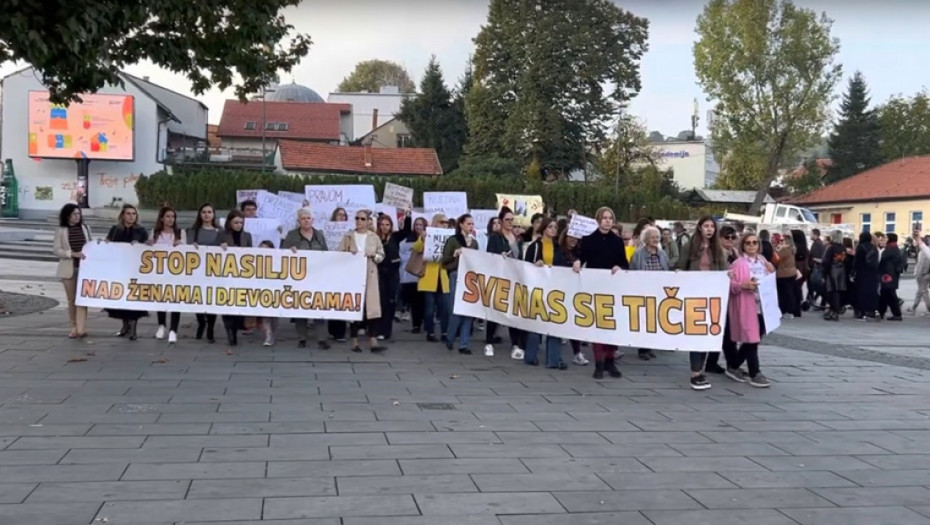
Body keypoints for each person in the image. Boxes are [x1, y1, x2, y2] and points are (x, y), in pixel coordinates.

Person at [573, 206, 629, 380]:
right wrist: (577, 262)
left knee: (612, 326)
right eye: (604, 218)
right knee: (597, 326)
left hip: (613, 289)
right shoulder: (589, 240)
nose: (607, 220)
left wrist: (619, 266)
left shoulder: (617, 241)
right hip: (595, 289)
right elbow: (581, 257)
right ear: (598, 220)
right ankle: (599, 363)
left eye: (610, 218)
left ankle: (611, 361)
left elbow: (625, 263)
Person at [677, 216, 727, 390]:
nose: (709, 229)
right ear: (699, 228)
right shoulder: (689, 246)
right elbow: (680, 266)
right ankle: (695, 373)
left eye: (712, 226)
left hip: (712, 295)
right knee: (697, 333)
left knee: (707, 333)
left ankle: (701, 369)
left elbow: (724, 269)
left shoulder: (718, 249)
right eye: (706, 226)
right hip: (694, 294)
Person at [726, 232, 774, 388]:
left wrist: (772, 271)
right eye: (748, 243)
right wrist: (742, 285)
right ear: (743, 245)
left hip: (763, 306)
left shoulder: (763, 260)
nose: (752, 245)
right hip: (747, 306)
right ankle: (755, 373)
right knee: (752, 339)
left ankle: (734, 365)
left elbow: (770, 281)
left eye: (755, 242)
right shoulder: (738, 264)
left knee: (755, 338)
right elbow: (730, 285)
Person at [522, 217, 569, 369]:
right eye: (550, 227)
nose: (553, 230)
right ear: (543, 229)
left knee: (554, 324)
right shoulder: (534, 246)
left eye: (555, 227)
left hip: (553, 290)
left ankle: (553, 360)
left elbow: (563, 266)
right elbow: (525, 266)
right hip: (538, 289)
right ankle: (530, 356)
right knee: (536, 324)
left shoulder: (558, 247)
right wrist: (535, 265)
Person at [281, 207, 330, 349]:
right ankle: (302, 338)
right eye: (303, 218)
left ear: (312, 220)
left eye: (308, 218)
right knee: (300, 306)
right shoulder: (291, 235)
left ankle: (322, 339)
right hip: (299, 277)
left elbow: (326, 253)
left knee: (319, 306)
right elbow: (282, 254)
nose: (306, 220)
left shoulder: (319, 235)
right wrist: (289, 251)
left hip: (317, 276)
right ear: (298, 221)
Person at [337, 209, 386, 353]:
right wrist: (348, 254)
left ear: (368, 221)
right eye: (357, 218)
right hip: (353, 275)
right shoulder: (348, 236)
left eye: (362, 219)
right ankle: (355, 341)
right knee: (354, 305)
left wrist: (373, 256)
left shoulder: (373, 237)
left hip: (369, 274)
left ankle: (373, 338)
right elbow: (338, 253)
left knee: (372, 307)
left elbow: (381, 254)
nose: (359, 221)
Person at [104, 204, 149, 340]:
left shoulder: (141, 231)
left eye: (133, 214)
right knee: (121, 299)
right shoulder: (115, 230)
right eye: (128, 213)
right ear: (123, 215)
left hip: (135, 271)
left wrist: (140, 244)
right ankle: (125, 326)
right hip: (119, 270)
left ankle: (133, 329)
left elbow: (147, 247)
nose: (131, 216)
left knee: (134, 300)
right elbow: (109, 244)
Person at [485, 207, 526, 359]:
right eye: (507, 220)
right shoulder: (495, 237)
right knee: (496, 311)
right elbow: (489, 256)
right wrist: (499, 256)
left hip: (514, 278)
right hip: (500, 278)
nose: (510, 222)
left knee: (513, 312)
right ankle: (489, 342)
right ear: (501, 221)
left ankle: (515, 344)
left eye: (512, 219)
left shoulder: (517, 239)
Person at [629, 226, 669, 361]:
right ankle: (642, 349)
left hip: (658, 291)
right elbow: (633, 271)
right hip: (644, 291)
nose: (655, 239)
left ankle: (650, 346)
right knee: (644, 320)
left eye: (657, 237)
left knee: (654, 320)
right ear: (646, 239)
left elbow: (666, 270)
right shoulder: (638, 254)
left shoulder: (662, 254)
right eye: (652, 237)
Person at [147, 205, 186, 344]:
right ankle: (161, 325)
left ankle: (173, 330)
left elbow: (186, 252)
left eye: (173, 217)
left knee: (175, 300)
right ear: (162, 218)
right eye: (168, 216)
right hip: (160, 272)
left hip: (176, 272)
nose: (170, 219)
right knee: (161, 299)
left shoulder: (180, 233)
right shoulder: (155, 233)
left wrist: (180, 245)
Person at [442, 213, 480, 354]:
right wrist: (454, 255)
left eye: (472, 224)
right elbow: (444, 260)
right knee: (456, 310)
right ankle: (450, 337)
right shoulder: (453, 240)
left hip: (469, 278)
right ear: (461, 224)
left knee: (469, 310)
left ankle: (464, 344)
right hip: (456, 275)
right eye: (468, 224)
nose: (471, 226)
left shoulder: (474, 243)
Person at [53, 203, 92, 339]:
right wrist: (72, 254)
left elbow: (90, 244)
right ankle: (73, 327)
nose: (77, 216)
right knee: (72, 299)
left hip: (84, 268)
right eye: (74, 214)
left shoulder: (85, 228)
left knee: (82, 298)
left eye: (79, 214)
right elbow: (57, 250)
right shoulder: (61, 230)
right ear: (67, 215)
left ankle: (81, 328)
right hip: (68, 268)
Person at [187, 203, 222, 343]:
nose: (207, 215)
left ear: (213, 214)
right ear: (200, 214)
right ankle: (201, 322)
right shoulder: (193, 231)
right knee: (197, 298)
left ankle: (210, 329)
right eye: (204, 212)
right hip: (197, 271)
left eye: (209, 212)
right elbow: (186, 246)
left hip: (214, 271)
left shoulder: (220, 231)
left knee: (211, 299)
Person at [412, 213, 450, 343]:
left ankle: (445, 332)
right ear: (435, 222)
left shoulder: (450, 237)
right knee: (429, 309)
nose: (444, 224)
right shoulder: (428, 235)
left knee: (444, 309)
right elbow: (415, 248)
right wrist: (422, 239)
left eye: (446, 222)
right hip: (429, 277)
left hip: (443, 278)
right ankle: (430, 332)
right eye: (441, 222)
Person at [219, 209, 253, 345]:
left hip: (241, 276)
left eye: (241, 222)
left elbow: (252, 253)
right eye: (236, 222)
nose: (239, 225)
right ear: (230, 223)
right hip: (226, 274)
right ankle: (229, 331)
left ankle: (235, 327)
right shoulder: (222, 235)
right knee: (226, 305)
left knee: (238, 305)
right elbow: (212, 251)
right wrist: (220, 247)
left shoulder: (247, 236)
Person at [557, 231, 589, 366]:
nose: (573, 239)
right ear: (564, 237)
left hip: (576, 293)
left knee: (575, 323)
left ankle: (577, 353)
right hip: (559, 292)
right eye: (570, 236)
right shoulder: (558, 251)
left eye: (576, 237)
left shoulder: (580, 253)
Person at [376, 212, 408, 341]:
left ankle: (386, 331)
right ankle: (378, 329)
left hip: (393, 272)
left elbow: (406, 231)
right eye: (382, 224)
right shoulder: (375, 237)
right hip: (380, 272)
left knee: (390, 302)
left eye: (387, 224)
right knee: (381, 302)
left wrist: (408, 214)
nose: (384, 227)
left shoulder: (394, 237)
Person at [400, 217, 428, 333]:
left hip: (426, 274)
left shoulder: (430, 238)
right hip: (412, 276)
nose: (418, 227)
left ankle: (425, 323)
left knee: (425, 302)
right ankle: (416, 324)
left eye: (421, 224)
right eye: (416, 224)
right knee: (416, 301)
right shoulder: (407, 240)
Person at [326, 207, 350, 342]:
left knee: (342, 299)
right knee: (332, 299)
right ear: (334, 217)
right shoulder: (327, 231)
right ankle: (332, 329)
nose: (342, 217)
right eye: (339, 215)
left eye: (344, 215)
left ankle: (340, 332)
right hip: (330, 269)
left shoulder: (351, 232)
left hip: (345, 269)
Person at [877, 233, 906, 320]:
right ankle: (881, 312)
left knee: (890, 294)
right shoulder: (893, 248)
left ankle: (897, 314)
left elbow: (883, 260)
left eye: (886, 238)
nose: (885, 239)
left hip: (888, 275)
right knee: (885, 294)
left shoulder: (891, 249)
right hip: (890, 274)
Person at [256, 240, 279, 346]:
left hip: (274, 291)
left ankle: (272, 334)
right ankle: (268, 336)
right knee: (265, 315)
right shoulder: (254, 261)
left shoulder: (278, 261)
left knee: (273, 315)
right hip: (261, 290)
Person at [853, 231, 880, 320]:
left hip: (862, 273)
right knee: (871, 292)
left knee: (860, 292)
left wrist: (853, 272)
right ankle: (871, 310)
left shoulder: (860, 247)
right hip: (872, 273)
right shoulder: (874, 247)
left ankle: (861, 311)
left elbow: (856, 261)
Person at [908, 235, 930, 315]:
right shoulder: (923, 251)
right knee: (920, 292)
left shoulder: (924, 252)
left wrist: (918, 274)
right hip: (924, 274)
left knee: (923, 292)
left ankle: (928, 309)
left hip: (923, 275)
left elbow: (923, 264)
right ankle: (914, 308)